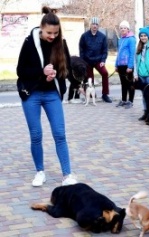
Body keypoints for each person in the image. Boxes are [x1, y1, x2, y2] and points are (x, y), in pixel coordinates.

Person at [16, 6, 78, 187]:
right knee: (36, 135)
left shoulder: (61, 44)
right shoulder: (29, 43)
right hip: (32, 94)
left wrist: (56, 75)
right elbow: (20, 71)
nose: (52, 36)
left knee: (60, 134)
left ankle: (67, 175)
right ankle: (40, 172)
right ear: (41, 28)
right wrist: (41, 72)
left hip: (52, 94)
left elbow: (65, 71)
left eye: (55, 33)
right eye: (49, 33)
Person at [79, 17, 112, 103]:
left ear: (98, 26)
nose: (95, 26)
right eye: (93, 24)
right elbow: (81, 49)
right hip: (87, 61)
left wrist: (103, 61)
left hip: (98, 60)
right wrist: (83, 61)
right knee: (90, 78)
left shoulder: (102, 37)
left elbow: (105, 51)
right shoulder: (84, 36)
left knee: (105, 73)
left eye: (96, 24)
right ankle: (91, 94)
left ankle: (105, 94)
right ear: (90, 25)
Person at [115, 20, 136, 109]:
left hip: (128, 65)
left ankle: (130, 101)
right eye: (121, 28)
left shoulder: (131, 39)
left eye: (125, 28)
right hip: (120, 65)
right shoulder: (121, 39)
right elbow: (118, 53)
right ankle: (123, 100)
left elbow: (132, 53)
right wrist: (116, 65)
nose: (123, 29)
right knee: (123, 83)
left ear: (128, 29)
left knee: (130, 84)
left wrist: (130, 66)